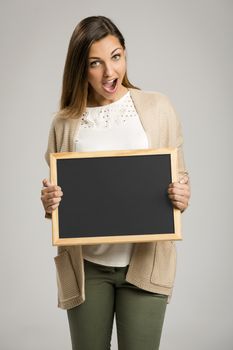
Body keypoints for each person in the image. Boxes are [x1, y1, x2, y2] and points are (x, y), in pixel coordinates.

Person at [41, 15, 190, 350]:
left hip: (145, 263)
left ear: (124, 54)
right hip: (87, 268)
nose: (110, 72)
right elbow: (59, 197)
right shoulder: (64, 124)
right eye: (96, 63)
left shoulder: (158, 108)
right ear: (81, 67)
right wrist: (51, 204)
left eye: (116, 56)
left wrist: (182, 193)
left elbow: (179, 176)